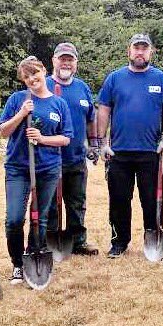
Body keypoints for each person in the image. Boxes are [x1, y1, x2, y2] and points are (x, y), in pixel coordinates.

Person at [96, 34, 163, 258]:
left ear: (151, 52)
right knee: (120, 200)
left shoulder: (162, 79)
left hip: (150, 152)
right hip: (119, 152)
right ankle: (119, 242)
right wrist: (102, 142)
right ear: (129, 51)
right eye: (136, 48)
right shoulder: (115, 78)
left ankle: (153, 239)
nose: (140, 52)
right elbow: (103, 109)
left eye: (144, 48)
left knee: (151, 199)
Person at [0, 57, 73, 284]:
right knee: (14, 219)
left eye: (35, 73)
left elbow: (66, 139)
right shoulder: (17, 100)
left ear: (44, 71)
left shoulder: (58, 104)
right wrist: (21, 114)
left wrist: (42, 138)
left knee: (39, 219)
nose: (32, 79)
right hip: (18, 168)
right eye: (27, 76)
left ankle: (33, 255)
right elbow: (1, 131)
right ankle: (17, 264)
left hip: (48, 168)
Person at [45, 42, 99, 256]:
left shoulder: (82, 88)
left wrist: (93, 143)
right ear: (54, 61)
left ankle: (77, 241)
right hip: (49, 158)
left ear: (76, 63)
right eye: (62, 58)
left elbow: (90, 119)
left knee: (77, 202)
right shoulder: (43, 86)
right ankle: (50, 239)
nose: (66, 63)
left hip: (76, 157)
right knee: (50, 203)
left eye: (70, 59)